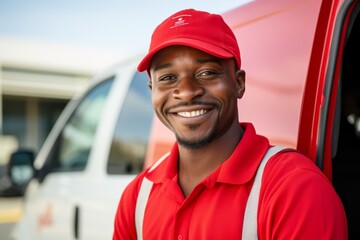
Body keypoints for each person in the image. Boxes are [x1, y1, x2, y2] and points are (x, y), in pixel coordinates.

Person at [113, 9, 348, 239]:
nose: (186, 92)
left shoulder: (294, 189)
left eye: (206, 73)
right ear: (152, 91)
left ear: (239, 83)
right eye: (167, 78)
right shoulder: (138, 196)